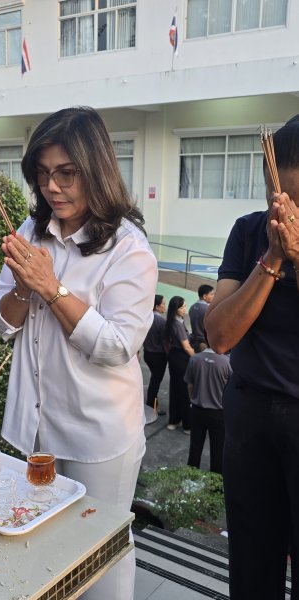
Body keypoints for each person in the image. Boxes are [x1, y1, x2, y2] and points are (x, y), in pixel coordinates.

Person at [0, 106, 157, 600]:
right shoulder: (31, 230)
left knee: (102, 555)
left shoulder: (128, 248)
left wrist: (52, 288)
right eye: (42, 174)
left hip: (97, 431)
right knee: (47, 548)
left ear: (96, 170)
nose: (51, 188)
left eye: (66, 173)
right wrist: (22, 290)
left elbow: (118, 346)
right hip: (38, 425)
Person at [204, 115, 299, 600]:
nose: (285, 211)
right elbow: (219, 336)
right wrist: (274, 259)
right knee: (252, 562)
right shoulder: (248, 232)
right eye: (277, 197)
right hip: (250, 411)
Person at [184, 343, 231, 474]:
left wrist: (192, 401)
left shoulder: (195, 359)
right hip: (218, 413)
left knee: (195, 447)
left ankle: (191, 479)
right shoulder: (227, 363)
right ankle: (215, 482)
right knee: (218, 449)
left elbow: (189, 385)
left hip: (197, 410)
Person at [163, 296, 194, 434]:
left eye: (185, 306)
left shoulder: (172, 321)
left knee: (175, 389)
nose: (184, 309)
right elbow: (186, 347)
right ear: (175, 309)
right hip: (181, 358)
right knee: (185, 391)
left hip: (174, 358)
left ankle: (174, 420)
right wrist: (197, 358)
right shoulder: (178, 324)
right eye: (182, 307)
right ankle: (187, 425)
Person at [143, 294, 167, 417]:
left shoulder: (146, 318)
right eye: (163, 304)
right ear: (157, 306)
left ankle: (151, 405)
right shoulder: (161, 321)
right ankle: (152, 407)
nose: (165, 307)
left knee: (154, 380)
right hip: (158, 356)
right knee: (155, 382)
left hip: (147, 354)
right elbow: (165, 341)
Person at [188, 284, 214, 352]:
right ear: (204, 296)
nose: (213, 296)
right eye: (211, 294)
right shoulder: (208, 309)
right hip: (204, 343)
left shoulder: (192, 307)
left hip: (193, 341)